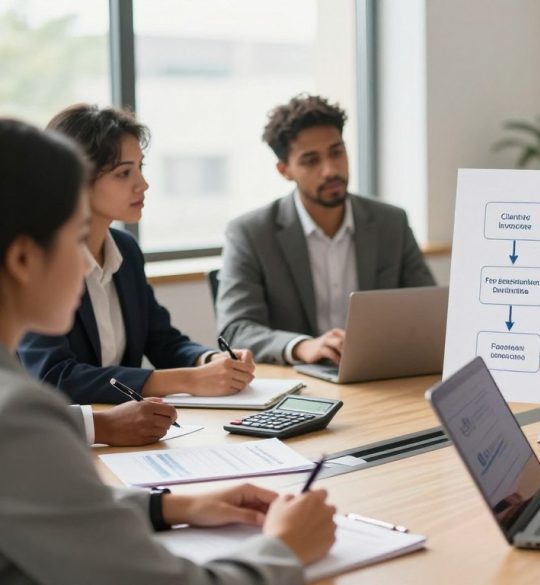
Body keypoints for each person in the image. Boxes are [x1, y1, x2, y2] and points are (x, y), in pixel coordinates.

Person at [0, 117, 336, 583]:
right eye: (72, 235)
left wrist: (173, 505)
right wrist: (283, 550)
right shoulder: (18, 417)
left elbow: (45, 497)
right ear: (21, 259)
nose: (85, 260)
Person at [16, 105, 256, 446]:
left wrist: (211, 361)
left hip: (132, 439)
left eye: (140, 168)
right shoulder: (41, 261)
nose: (143, 183)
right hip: (64, 441)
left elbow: (162, 340)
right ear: (78, 179)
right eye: (124, 173)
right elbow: (54, 376)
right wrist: (189, 380)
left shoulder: (126, 250)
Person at [217, 94, 435, 366]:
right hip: (300, 383)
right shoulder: (250, 233)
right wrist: (302, 346)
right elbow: (236, 329)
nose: (330, 170)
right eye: (311, 160)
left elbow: (428, 311)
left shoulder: (391, 222)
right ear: (285, 170)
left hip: (378, 375)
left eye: (336, 152)